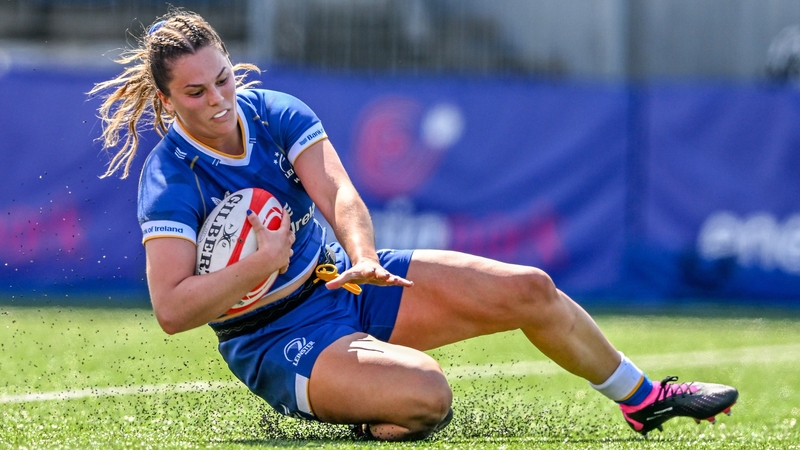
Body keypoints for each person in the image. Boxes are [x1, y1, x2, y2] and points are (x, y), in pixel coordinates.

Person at [90, 8, 738, 441]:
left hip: (341, 284)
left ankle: (643, 398)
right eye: (196, 92)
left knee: (531, 288)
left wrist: (363, 255)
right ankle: (365, 400)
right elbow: (171, 310)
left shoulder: (273, 112)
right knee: (428, 395)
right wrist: (260, 265)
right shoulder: (171, 177)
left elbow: (339, 191)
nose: (218, 99)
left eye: (223, 79)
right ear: (166, 99)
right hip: (272, 339)